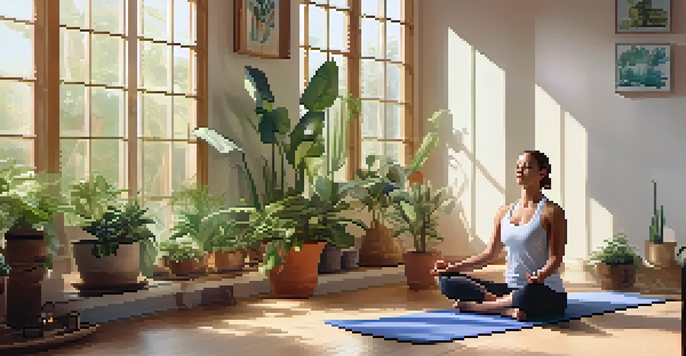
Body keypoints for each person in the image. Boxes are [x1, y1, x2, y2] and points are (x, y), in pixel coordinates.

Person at [431, 150, 568, 321]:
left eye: (527, 166)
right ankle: (503, 308)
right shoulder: (504, 212)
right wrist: (453, 267)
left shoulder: (552, 212)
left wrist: (541, 275)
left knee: (529, 294)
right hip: (511, 289)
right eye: (518, 166)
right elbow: (489, 254)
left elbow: (556, 258)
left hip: (542, 289)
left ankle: (477, 307)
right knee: (446, 281)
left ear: (542, 173)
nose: (520, 170)